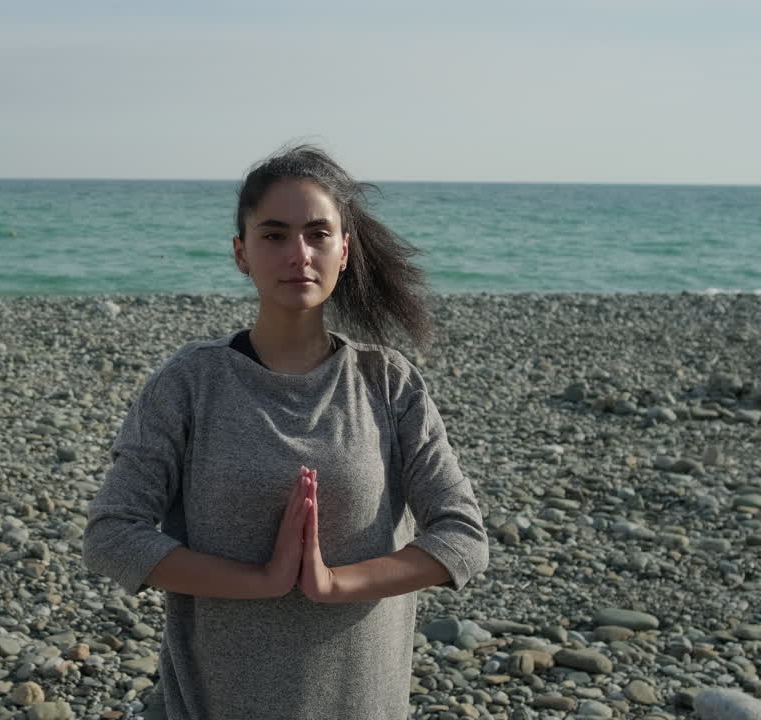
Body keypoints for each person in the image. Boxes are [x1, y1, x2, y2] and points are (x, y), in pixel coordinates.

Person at [82, 144, 489, 720]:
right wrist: (262, 580)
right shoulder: (191, 382)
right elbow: (112, 536)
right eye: (273, 235)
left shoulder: (387, 381)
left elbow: (463, 539)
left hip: (361, 703)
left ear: (344, 251)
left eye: (317, 234)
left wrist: (331, 584)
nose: (298, 253)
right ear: (241, 253)